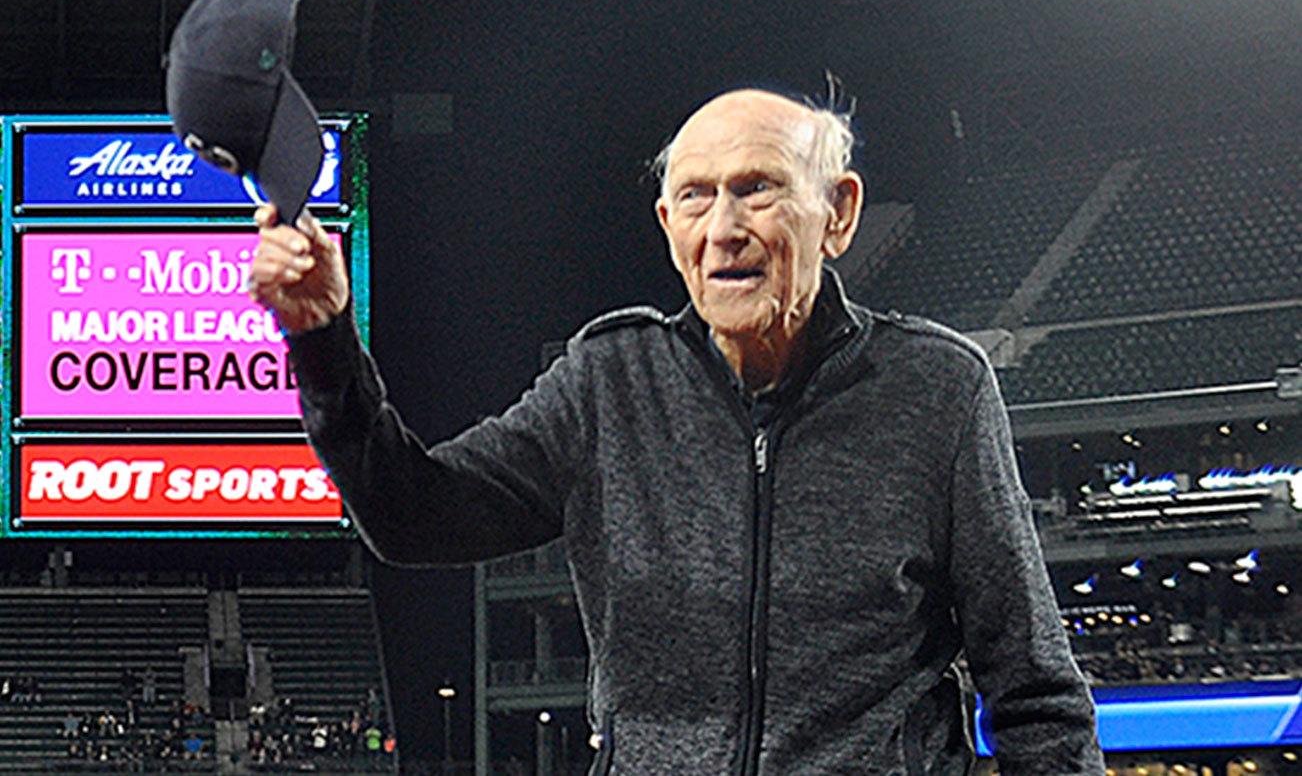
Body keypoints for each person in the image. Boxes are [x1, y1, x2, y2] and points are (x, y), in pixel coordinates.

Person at [250, 88, 1104, 773]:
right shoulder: (607, 381)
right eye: (695, 196)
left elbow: (1035, 692)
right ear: (668, 227)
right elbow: (411, 517)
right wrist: (324, 341)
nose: (723, 229)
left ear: (838, 214)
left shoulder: (938, 388)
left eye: (758, 188)